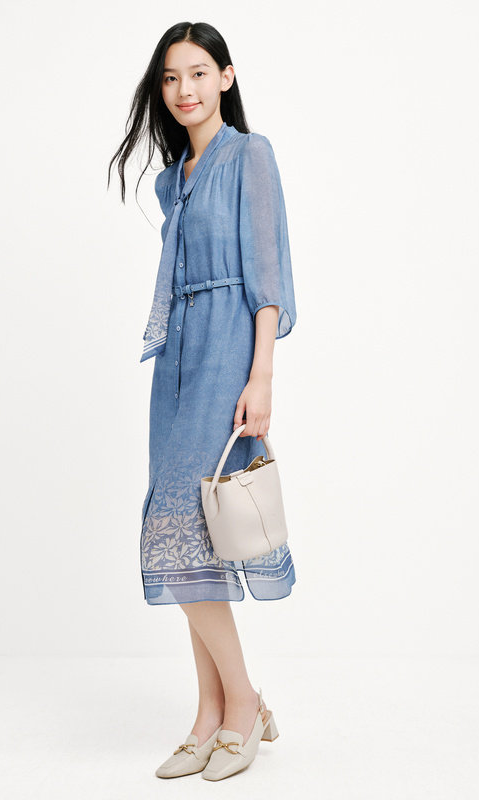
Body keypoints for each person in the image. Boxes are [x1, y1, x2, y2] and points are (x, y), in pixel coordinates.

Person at [108, 21, 297, 781]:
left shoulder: (250, 157)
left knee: (187, 525)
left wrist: (261, 376)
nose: (183, 89)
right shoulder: (171, 180)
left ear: (225, 76)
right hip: (175, 363)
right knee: (185, 534)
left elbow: (267, 274)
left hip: (228, 353)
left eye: (196, 73)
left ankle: (242, 704)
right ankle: (211, 711)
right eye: (170, 77)